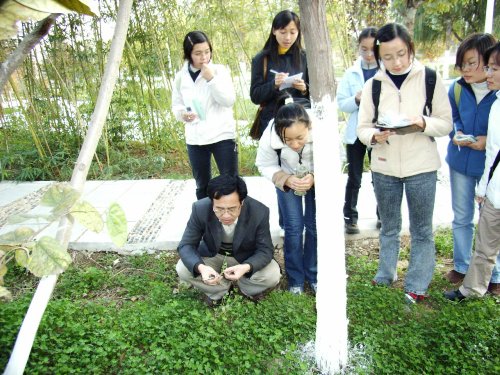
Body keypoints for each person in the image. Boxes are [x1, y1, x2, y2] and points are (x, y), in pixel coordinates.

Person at [357, 23, 452, 304]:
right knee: (388, 225)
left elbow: (445, 123)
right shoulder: (373, 85)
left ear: (411, 48)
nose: (396, 62)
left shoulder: (430, 79)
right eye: (388, 57)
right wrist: (374, 136)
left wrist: (423, 122)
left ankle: (416, 285)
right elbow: (362, 128)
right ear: (378, 56)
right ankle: (385, 275)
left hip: (421, 166)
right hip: (384, 166)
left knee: (422, 229)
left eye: (401, 54)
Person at [445, 42, 500, 301]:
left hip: (489, 170)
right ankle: (462, 266)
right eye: (462, 63)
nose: (466, 69)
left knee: (490, 223)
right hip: (461, 162)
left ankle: (495, 277)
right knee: (462, 217)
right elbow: (451, 117)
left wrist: (484, 140)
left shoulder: (495, 94)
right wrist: (455, 132)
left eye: (473, 63)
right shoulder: (456, 89)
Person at [176, 174, 281, 307]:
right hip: (213, 253)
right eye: (219, 209)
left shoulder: (259, 211)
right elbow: (186, 245)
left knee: (272, 274)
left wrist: (246, 267)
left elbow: (265, 249)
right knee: (183, 268)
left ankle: (245, 289)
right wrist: (201, 268)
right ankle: (220, 290)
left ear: (242, 203)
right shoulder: (200, 208)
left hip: (244, 255)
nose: (225, 215)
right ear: (212, 202)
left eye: (232, 209)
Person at [255, 93, 316, 295]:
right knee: (293, 228)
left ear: (309, 127)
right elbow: (264, 164)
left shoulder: (321, 126)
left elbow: (337, 156)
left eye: (300, 138)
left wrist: (315, 176)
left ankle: (314, 275)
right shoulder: (271, 132)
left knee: (315, 226)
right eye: (287, 139)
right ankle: (296, 280)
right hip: (288, 181)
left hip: (317, 180)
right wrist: (286, 179)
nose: (295, 144)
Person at [171, 31, 238, 200]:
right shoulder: (180, 77)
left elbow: (228, 100)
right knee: (202, 186)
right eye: (198, 53)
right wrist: (182, 115)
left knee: (230, 183)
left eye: (207, 51)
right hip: (195, 138)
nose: (204, 57)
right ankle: (205, 222)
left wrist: (212, 79)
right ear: (189, 54)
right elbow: (176, 105)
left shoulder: (220, 71)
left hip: (222, 136)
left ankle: (235, 222)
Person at [337, 27, 379, 234]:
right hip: (355, 133)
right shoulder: (351, 73)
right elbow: (342, 103)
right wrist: (356, 99)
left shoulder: (386, 71)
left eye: (373, 49)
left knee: (380, 176)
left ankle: (384, 215)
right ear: (358, 48)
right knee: (354, 177)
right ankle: (350, 217)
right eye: (364, 49)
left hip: (380, 132)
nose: (369, 54)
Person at [250, 10, 310, 140]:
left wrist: (304, 88)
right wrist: (274, 85)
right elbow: (255, 96)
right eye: (283, 32)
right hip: (272, 121)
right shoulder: (262, 59)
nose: (288, 37)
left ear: (298, 32)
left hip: (299, 120)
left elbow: (317, 94)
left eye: (292, 32)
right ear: (274, 31)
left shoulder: (305, 57)